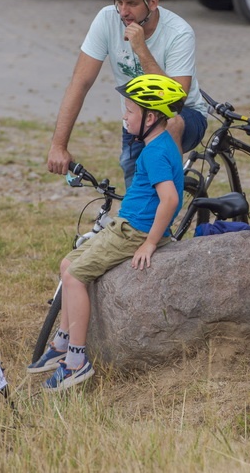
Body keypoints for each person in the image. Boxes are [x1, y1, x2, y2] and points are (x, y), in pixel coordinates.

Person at [29, 75, 186, 390]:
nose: (124, 117)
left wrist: (151, 242)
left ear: (151, 117)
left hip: (134, 232)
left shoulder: (155, 153)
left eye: (129, 111)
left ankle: (76, 360)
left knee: (74, 276)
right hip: (126, 226)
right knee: (66, 265)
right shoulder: (160, 143)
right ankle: (61, 341)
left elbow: (170, 199)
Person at [46, 0, 208, 190]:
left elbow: (176, 100)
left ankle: (168, 204)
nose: (123, 12)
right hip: (137, 119)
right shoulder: (107, 19)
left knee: (170, 127)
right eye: (118, 2)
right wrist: (58, 146)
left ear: (152, 2)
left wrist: (141, 49)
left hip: (185, 114)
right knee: (136, 192)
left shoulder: (179, 33)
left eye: (131, 3)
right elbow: (79, 83)